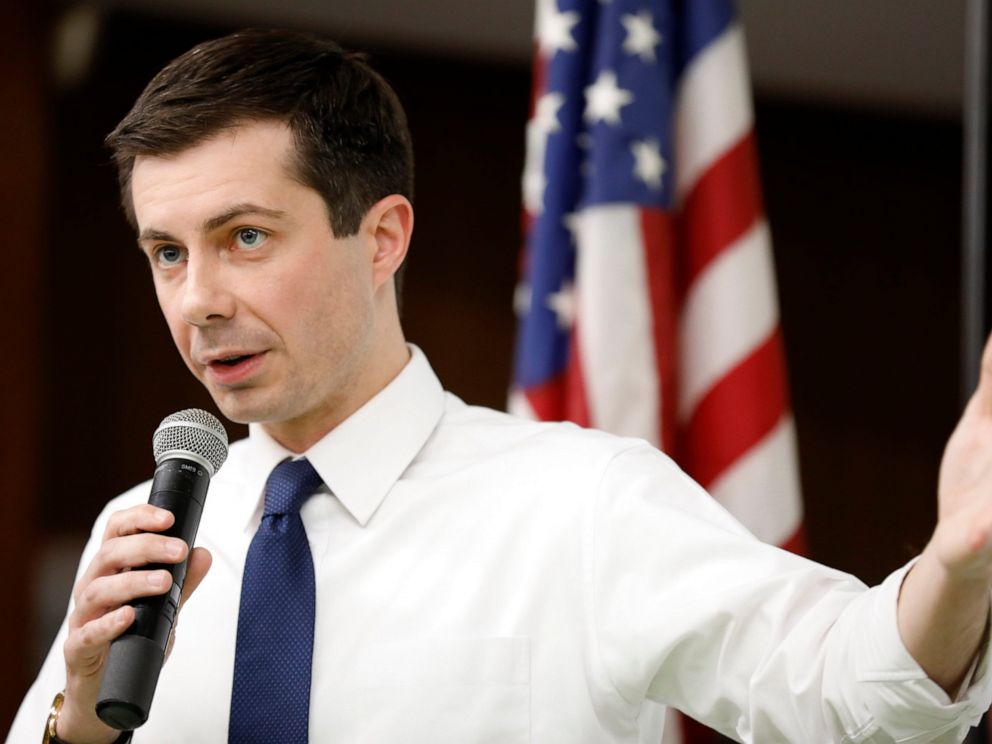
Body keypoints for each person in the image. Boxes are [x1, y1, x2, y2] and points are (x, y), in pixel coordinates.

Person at [7, 28, 992, 744]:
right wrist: (83, 723)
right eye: (167, 253)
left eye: (245, 238)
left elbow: (845, 694)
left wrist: (955, 564)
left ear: (382, 236)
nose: (199, 301)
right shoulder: (141, 530)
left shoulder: (581, 501)